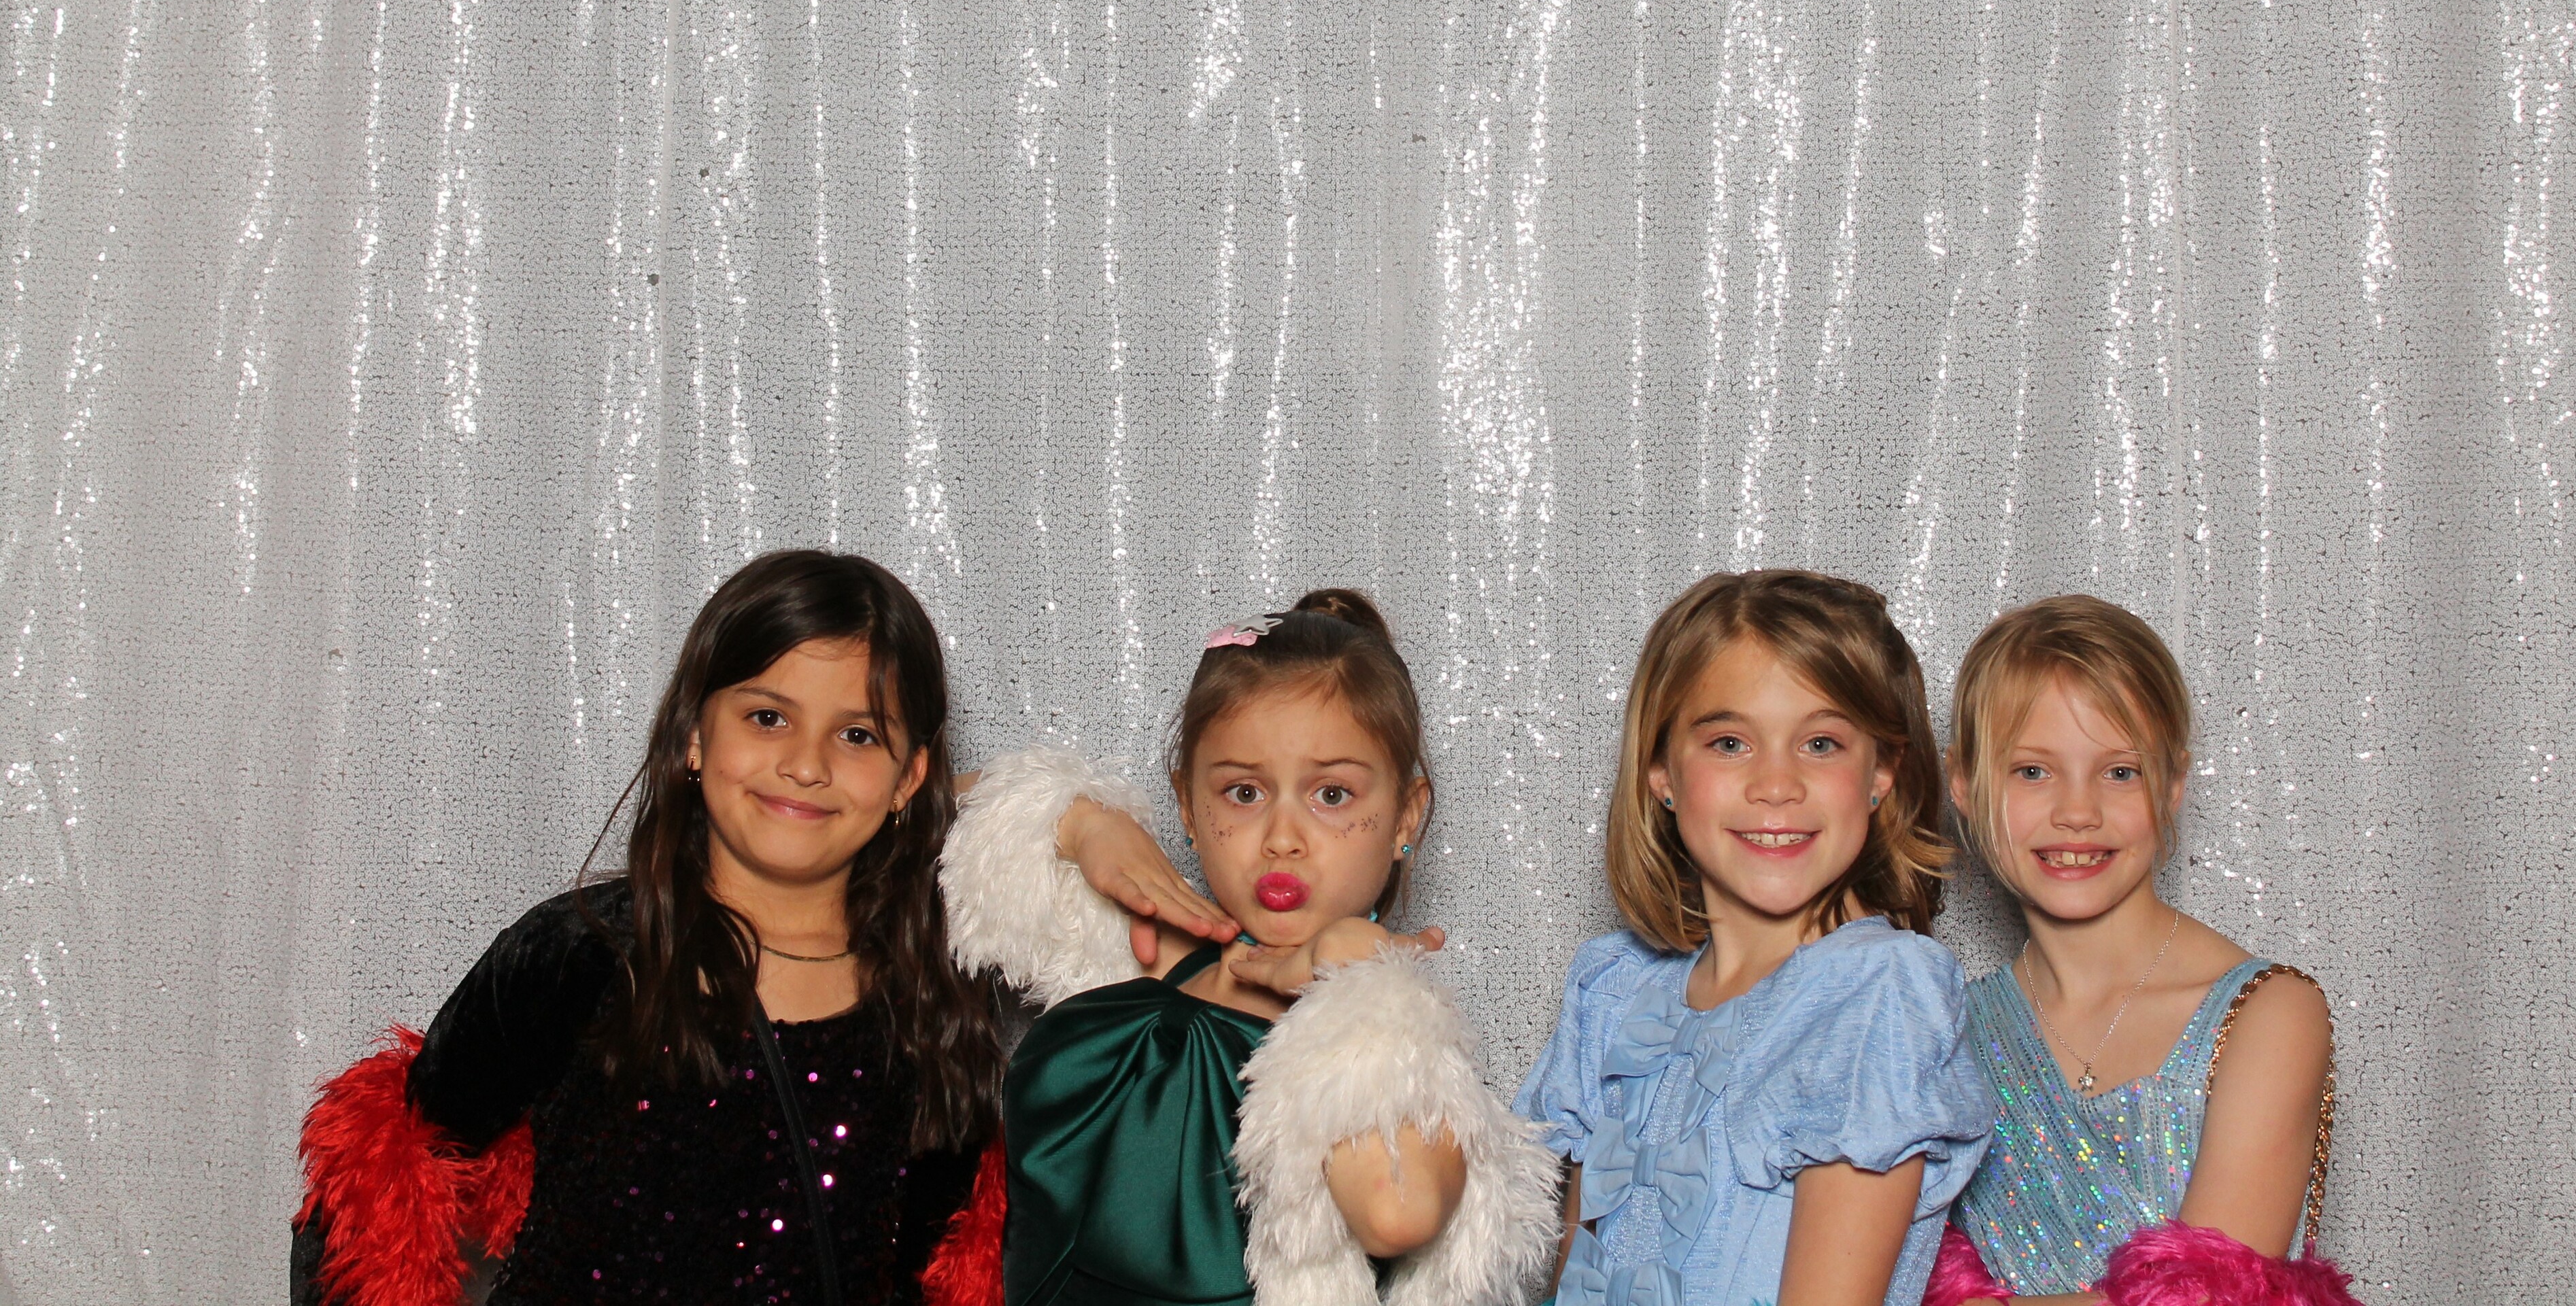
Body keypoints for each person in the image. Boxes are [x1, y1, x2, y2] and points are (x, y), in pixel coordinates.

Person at [294, 550, 1014, 1306]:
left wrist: (1068, 816)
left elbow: (938, 1268)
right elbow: (375, 1187)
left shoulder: (933, 1000)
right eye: (768, 717)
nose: (807, 765)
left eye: (858, 735)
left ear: (909, 777)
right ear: (694, 735)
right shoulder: (583, 954)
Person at [938, 588, 1559, 1306]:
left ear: (1404, 816)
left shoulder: (1404, 1047)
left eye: (1332, 795)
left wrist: (1360, 973)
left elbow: (1398, 1213)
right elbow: (889, 816)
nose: (1282, 838)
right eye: (1242, 793)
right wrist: (1081, 821)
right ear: (1187, 804)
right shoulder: (1140, 946)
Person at [1518, 570, 1997, 1306]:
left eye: (1821, 743)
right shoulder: (1614, 986)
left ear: (1881, 773)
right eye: (1731, 742)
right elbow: (1573, 1279)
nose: (1777, 784)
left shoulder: (1879, 993)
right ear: (1661, 771)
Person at [1925, 596, 2360, 1306]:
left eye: (2119, 771)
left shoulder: (2271, 1012)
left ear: (2173, 786)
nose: (2077, 811)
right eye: (2032, 771)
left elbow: (2210, 1295)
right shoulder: (1944, 1027)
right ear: (1965, 786)